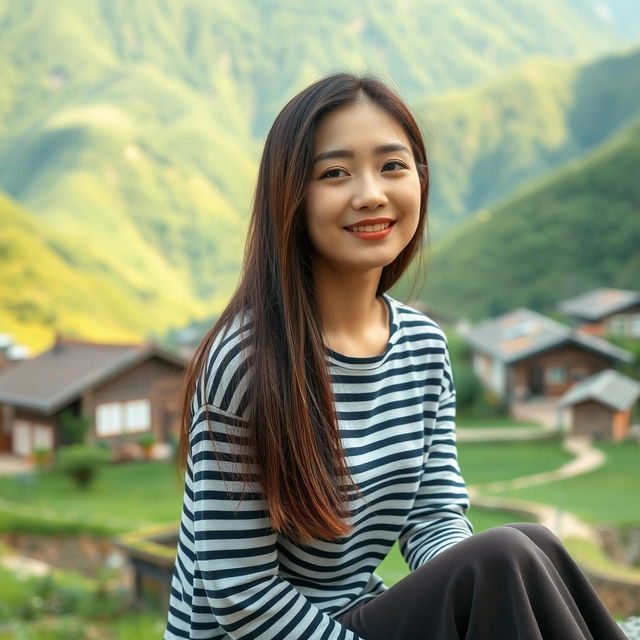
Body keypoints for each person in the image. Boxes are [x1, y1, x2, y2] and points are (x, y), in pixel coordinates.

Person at [164, 73, 626, 640]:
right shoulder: (247, 361)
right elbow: (239, 590)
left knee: (532, 545)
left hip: (353, 616)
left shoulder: (424, 348)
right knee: (506, 553)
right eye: (335, 173)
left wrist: (471, 588)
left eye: (392, 166)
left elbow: (432, 517)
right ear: (291, 198)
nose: (371, 193)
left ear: (419, 181)